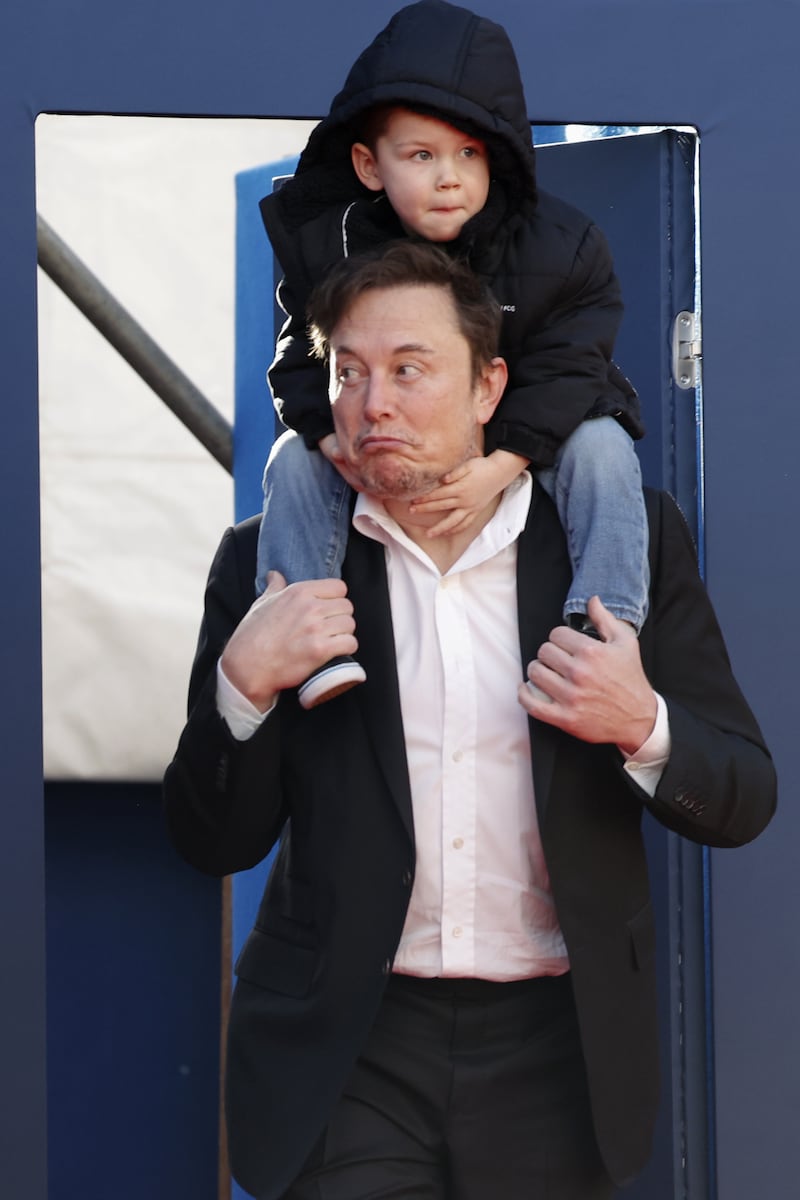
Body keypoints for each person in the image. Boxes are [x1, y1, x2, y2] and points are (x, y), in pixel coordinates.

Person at [164, 242, 776, 1200]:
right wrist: (243, 687)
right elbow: (213, 840)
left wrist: (642, 723)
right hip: (348, 1049)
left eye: (409, 370)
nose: (374, 404)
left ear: (490, 386)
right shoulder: (268, 564)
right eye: (350, 373)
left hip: (559, 1049)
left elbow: (743, 795)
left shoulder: (620, 546)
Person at [256, 0, 647, 708]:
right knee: (293, 459)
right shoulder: (329, 241)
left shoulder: (559, 243)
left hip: (533, 418)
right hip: (398, 430)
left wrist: (503, 463)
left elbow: (572, 364)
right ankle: (304, 636)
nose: (449, 177)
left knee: (605, 448)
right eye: (422, 156)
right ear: (369, 166)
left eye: (469, 154)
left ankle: (603, 627)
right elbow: (301, 360)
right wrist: (332, 440)